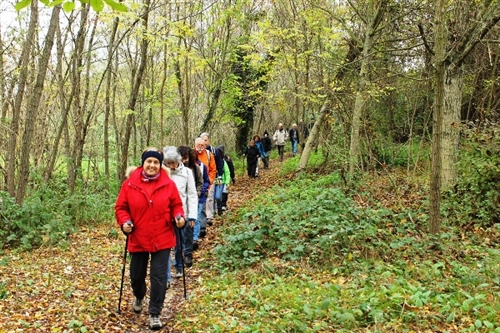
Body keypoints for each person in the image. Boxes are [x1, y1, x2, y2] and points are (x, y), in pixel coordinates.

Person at [115, 147, 185, 331]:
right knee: (136, 276)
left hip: (162, 236)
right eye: (149, 162)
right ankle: (139, 295)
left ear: (159, 164)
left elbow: (176, 205)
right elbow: (121, 208)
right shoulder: (129, 184)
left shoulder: (168, 184)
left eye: (156, 162)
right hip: (138, 236)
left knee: (159, 277)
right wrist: (125, 222)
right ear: (143, 163)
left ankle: (155, 312)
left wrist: (179, 217)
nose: (152, 165)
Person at [163, 146, 198, 287]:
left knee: (178, 244)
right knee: (165, 245)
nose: (171, 166)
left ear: (178, 161)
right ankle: (165, 276)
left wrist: (192, 216)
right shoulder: (164, 173)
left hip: (181, 213)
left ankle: (178, 265)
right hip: (165, 214)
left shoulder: (187, 173)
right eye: (168, 163)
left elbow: (192, 195)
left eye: (173, 163)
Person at [178, 145, 209, 251]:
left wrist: (197, 193)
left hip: (194, 199)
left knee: (193, 221)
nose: (183, 160)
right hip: (180, 201)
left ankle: (192, 242)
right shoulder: (173, 169)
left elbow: (201, 182)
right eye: (181, 158)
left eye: (185, 157)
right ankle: (182, 247)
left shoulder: (195, 168)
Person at [200, 132, 224, 227]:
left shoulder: (214, 151)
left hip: (214, 176)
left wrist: (220, 176)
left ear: (209, 140)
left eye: (206, 140)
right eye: (203, 140)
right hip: (201, 179)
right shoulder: (198, 152)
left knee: (212, 196)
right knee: (204, 197)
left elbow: (220, 164)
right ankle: (204, 215)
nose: (204, 142)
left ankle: (210, 215)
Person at [194, 137, 216, 238]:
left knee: (203, 205)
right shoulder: (191, 154)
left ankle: (202, 228)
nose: (200, 147)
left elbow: (213, 169)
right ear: (194, 145)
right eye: (198, 145)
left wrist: (210, 182)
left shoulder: (208, 154)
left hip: (206, 183)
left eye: (202, 145)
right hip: (193, 185)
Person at [217, 145, 235, 211]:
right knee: (218, 194)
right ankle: (219, 206)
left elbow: (227, 172)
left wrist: (228, 181)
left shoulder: (225, 160)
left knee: (224, 192)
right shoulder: (215, 161)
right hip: (218, 180)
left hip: (224, 180)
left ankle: (223, 205)